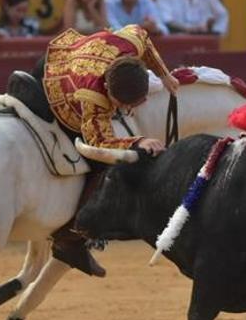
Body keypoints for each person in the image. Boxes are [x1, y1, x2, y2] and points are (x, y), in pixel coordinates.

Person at [24, 24, 180, 277]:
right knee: (96, 163)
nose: (128, 109)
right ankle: (70, 238)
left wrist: (164, 75)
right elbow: (97, 141)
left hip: (83, 53)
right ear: (108, 92)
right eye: (121, 105)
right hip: (58, 75)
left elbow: (146, 40)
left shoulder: (133, 42)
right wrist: (137, 141)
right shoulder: (91, 97)